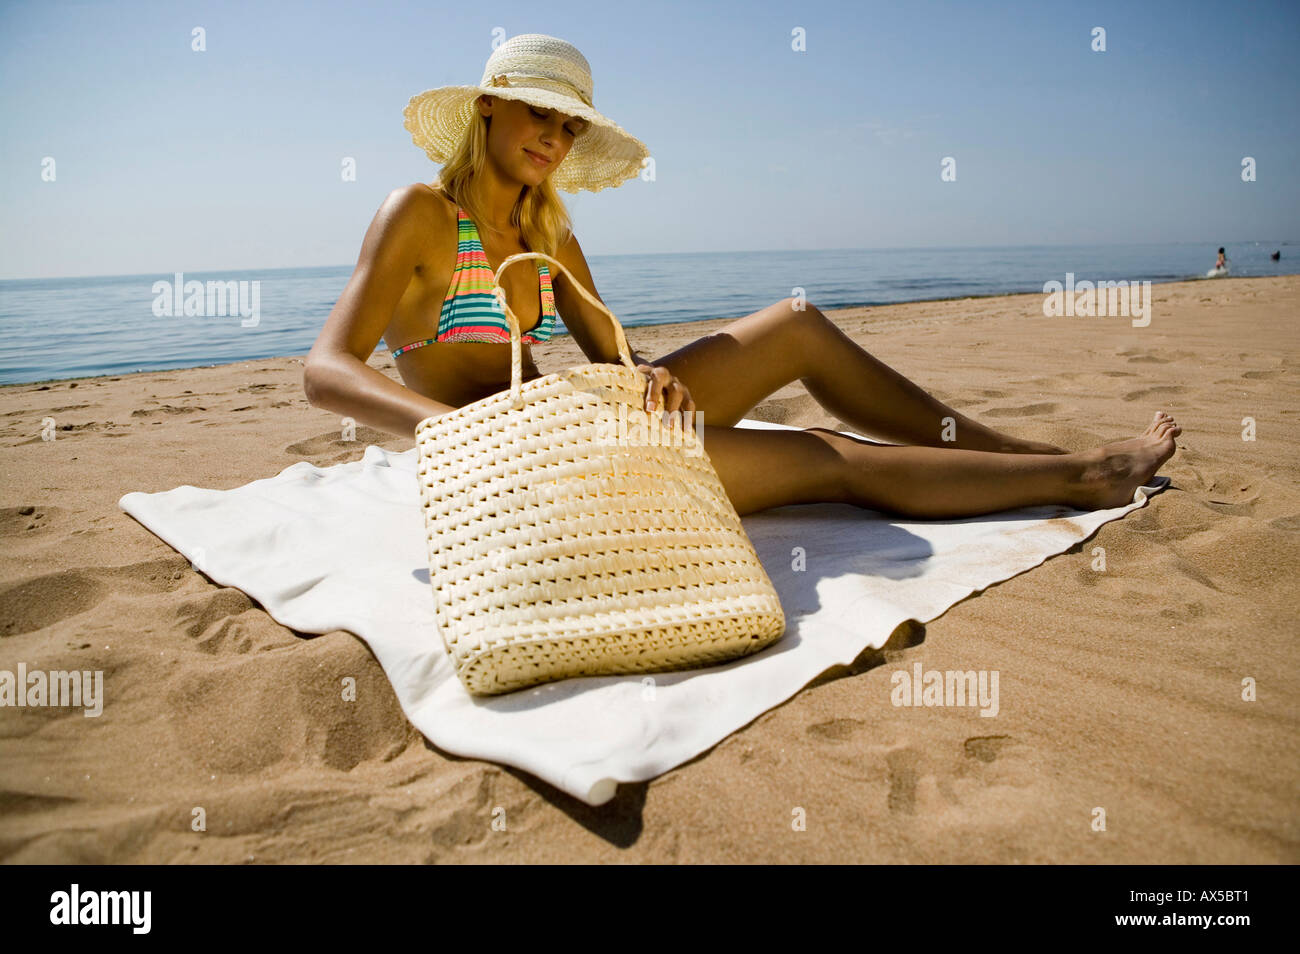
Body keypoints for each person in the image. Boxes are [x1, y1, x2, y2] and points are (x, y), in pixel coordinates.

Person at [303, 34, 1180, 519]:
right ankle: (1085, 474)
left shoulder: (547, 230)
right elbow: (327, 370)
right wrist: (451, 435)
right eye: (540, 114)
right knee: (827, 458)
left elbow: (611, 353)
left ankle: (1016, 452)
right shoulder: (419, 213)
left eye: (570, 127)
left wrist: (643, 377)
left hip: (580, 420)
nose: (553, 139)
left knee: (795, 321)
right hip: (520, 468)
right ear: (488, 105)